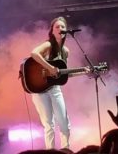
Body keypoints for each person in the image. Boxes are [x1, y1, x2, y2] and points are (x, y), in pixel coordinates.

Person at [30, 17, 88, 149]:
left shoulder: (65, 51)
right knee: (48, 124)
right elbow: (34, 53)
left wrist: (84, 71)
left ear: (66, 30)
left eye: (62, 27)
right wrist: (50, 68)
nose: (60, 29)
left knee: (64, 123)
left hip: (55, 88)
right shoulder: (48, 44)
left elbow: (64, 73)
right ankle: (50, 151)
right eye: (57, 27)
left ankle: (66, 150)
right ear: (52, 30)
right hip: (40, 89)